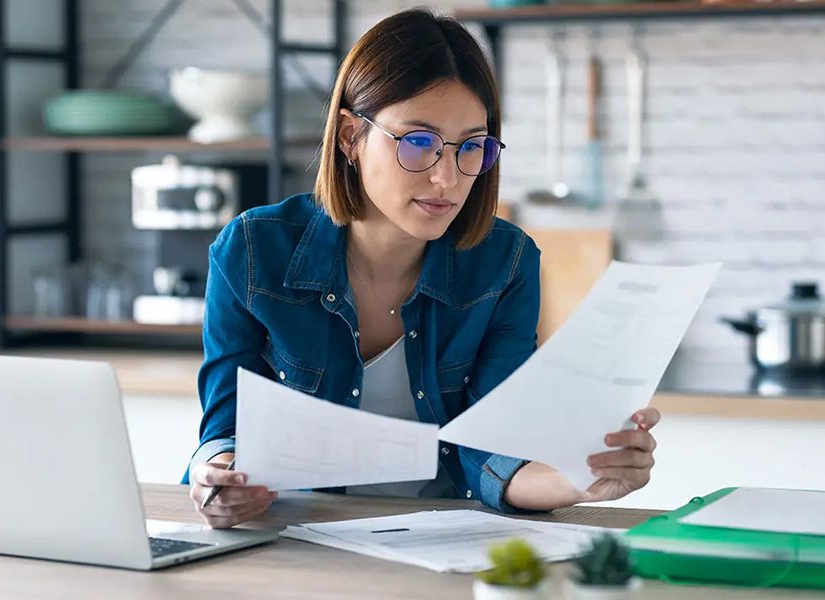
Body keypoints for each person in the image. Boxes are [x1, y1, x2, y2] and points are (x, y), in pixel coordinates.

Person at [185, 8, 660, 529]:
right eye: (418, 142)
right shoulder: (254, 250)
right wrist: (220, 480)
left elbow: (494, 454)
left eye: (472, 148)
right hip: (300, 535)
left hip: (443, 537)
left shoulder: (506, 263)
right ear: (349, 136)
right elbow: (225, 432)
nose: (447, 178)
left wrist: (581, 478)